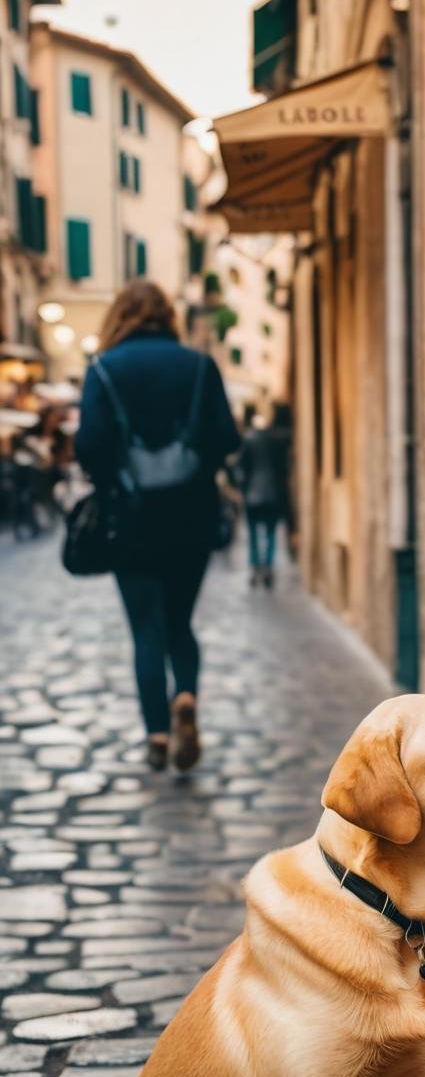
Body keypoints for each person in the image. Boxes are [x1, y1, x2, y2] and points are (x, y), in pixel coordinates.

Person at [74, 281, 239, 772]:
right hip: (192, 517)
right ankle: (185, 695)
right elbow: (227, 438)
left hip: (130, 521)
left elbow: (89, 444)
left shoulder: (103, 370)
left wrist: (113, 480)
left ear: (119, 316)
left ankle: (157, 736)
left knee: (145, 628)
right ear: (167, 315)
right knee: (180, 623)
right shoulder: (198, 366)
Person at [234, 405, 291, 587]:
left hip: (253, 495)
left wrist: (242, 488)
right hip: (272, 493)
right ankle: (267, 565)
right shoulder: (274, 442)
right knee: (270, 532)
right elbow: (283, 469)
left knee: (253, 533)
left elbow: (242, 468)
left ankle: (255, 565)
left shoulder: (248, 441)